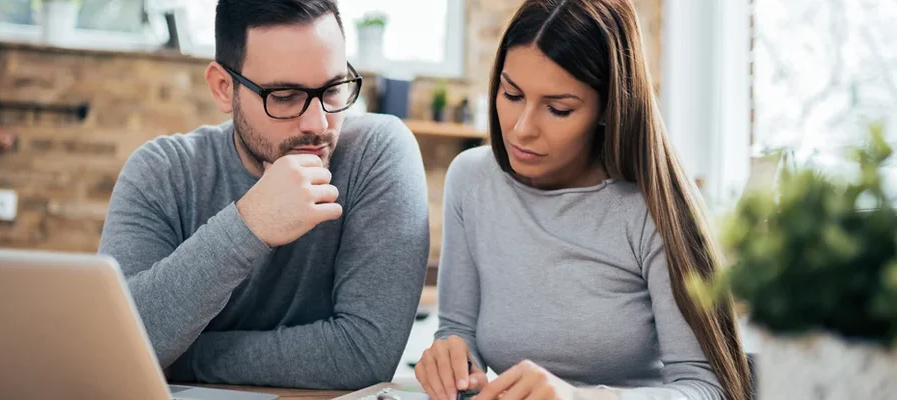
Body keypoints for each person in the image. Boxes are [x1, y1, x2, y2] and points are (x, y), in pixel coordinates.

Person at [414, 0, 753, 399]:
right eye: (511, 94)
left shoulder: (654, 209)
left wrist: (580, 398)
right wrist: (453, 362)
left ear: (609, 108)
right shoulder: (471, 181)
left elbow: (710, 388)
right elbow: (459, 331)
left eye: (558, 109)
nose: (522, 130)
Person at [98, 0, 430, 390]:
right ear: (224, 88)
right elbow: (116, 347)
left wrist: (185, 357)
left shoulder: (376, 154)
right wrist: (249, 224)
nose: (318, 124)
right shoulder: (163, 172)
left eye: (335, 88)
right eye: (285, 96)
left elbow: (363, 354)